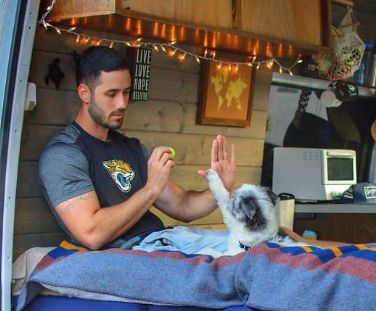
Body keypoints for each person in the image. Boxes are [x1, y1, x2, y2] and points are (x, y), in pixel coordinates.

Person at [38, 46, 236, 250]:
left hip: (163, 240)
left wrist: (219, 189)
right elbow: (92, 233)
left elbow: (181, 205)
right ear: (84, 93)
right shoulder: (63, 154)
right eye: (112, 94)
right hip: (133, 253)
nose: (122, 103)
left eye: (126, 92)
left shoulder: (132, 148)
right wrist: (151, 189)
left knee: (249, 246)